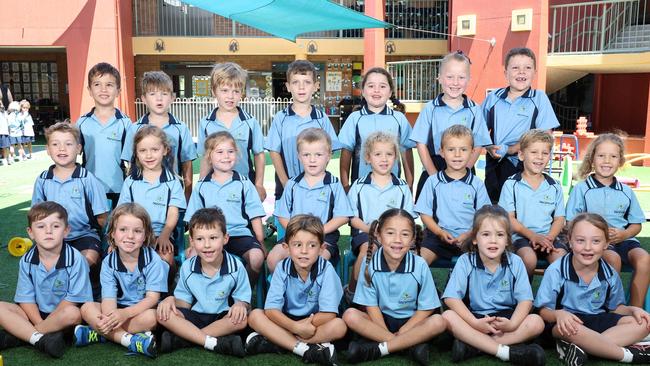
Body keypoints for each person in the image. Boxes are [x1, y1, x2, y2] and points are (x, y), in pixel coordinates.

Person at [535, 213, 650, 365]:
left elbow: (616, 308)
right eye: (580, 240)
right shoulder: (556, 270)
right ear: (570, 241)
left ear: (606, 244)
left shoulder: (609, 274)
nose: (588, 247)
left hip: (597, 321)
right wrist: (558, 315)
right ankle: (628, 355)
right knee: (574, 329)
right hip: (565, 324)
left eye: (596, 241)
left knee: (643, 324)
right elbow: (542, 311)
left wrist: (633, 310)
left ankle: (582, 348)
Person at [442, 204, 546, 365]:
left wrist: (512, 324)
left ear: (507, 240)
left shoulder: (516, 262)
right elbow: (451, 298)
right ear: (475, 239)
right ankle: (506, 351)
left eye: (500, 234)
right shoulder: (466, 261)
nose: (493, 240)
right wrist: (474, 323)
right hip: (475, 319)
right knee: (447, 317)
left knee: (536, 322)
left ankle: (474, 347)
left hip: (506, 320)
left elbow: (525, 300)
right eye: (486, 234)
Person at [342, 208, 447, 365]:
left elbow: (426, 308)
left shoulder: (420, 265)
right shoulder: (369, 263)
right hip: (380, 322)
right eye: (390, 233)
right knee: (350, 315)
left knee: (439, 321)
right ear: (378, 235)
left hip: (412, 322)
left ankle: (378, 349)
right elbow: (371, 307)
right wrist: (386, 333)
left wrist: (404, 331)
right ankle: (409, 346)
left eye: (405, 234)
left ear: (412, 239)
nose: (397, 239)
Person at [247, 214, 346, 365]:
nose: (304, 251)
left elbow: (329, 314)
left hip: (316, 322)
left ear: (322, 249)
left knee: (339, 326)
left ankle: (281, 341)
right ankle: (304, 349)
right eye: (297, 245)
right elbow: (271, 310)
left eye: (312, 245)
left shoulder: (327, 270)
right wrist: (295, 327)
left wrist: (303, 327)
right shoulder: (282, 268)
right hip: (287, 321)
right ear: (286, 248)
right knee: (255, 316)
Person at [566, 133, 650, 308]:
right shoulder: (582, 189)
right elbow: (570, 224)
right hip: (595, 244)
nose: (607, 161)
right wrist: (594, 235)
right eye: (601, 155)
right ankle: (611, 309)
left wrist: (624, 233)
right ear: (592, 159)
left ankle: (635, 311)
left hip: (624, 240)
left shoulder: (626, 191)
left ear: (620, 161)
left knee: (644, 259)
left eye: (613, 156)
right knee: (613, 259)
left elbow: (636, 224)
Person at [74, 203, 168, 358]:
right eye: (123, 230)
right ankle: (130, 340)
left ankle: (100, 333)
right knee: (86, 308)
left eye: (137, 231)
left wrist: (124, 314)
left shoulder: (153, 260)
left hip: (141, 310)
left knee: (153, 317)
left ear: (145, 236)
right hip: (116, 310)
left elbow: (152, 299)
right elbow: (108, 300)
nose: (130, 236)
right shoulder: (108, 262)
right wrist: (112, 315)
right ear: (112, 234)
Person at [0, 202, 93, 358]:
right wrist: (39, 322)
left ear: (66, 231)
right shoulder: (27, 260)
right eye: (41, 227)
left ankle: (22, 335)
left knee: (73, 313)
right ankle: (40, 338)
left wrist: (40, 325)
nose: (48, 231)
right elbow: (26, 299)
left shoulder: (76, 259)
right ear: (30, 232)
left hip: (63, 316)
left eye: (55, 226)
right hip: (36, 314)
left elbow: (72, 300)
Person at [156, 208, 249, 357]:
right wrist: (170, 300)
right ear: (191, 242)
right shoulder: (188, 267)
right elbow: (183, 305)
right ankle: (212, 342)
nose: (207, 245)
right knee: (163, 314)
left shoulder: (236, 267)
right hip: (194, 317)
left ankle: (186, 339)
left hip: (222, 318)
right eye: (200, 239)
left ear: (225, 238)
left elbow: (243, 303)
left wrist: (240, 305)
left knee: (241, 320)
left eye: (213, 238)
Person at [185, 131, 266, 286]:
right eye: (220, 152)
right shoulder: (201, 186)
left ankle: (242, 293)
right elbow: (193, 220)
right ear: (209, 156)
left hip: (239, 234)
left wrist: (260, 241)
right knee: (192, 257)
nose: (226, 156)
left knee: (256, 258)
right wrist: (192, 244)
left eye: (230, 152)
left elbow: (255, 215)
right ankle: (207, 296)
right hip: (210, 237)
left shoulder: (244, 183)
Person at [481, 47, 560, 203]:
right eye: (515, 67)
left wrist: (511, 149)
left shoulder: (539, 98)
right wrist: (489, 146)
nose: (521, 72)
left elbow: (545, 138)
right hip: (494, 165)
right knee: (494, 210)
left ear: (534, 73)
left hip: (523, 166)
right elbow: (478, 129)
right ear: (506, 73)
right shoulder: (493, 98)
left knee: (520, 209)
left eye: (527, 68)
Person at [268, 128, 352, 272]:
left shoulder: (333, 184)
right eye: (306, 155)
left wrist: (317, 231)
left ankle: (314, 294)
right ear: (299, 157)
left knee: (314, 263)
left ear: (329, 156)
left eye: (318, 154)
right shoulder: (292, 184)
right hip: (295, 238)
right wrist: (298, 233)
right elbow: (282, 215)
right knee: (272, 258)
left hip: (323, 240)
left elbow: (343, 216)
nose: (312, 160)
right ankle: (284, 290)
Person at [410, 51, 491, 200]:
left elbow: (478, 145)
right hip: (434, 168)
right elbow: (421, 144)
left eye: (461, 77)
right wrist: (434, 176)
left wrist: (462, 173)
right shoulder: (430, 109)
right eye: (449, 77)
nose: (455, 82)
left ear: (468, 79)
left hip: (464, 169)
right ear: (440, 78)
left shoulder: (474, 110)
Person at [345, 131, 416, 299]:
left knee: (411, 254)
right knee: (367, 251)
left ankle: (403, 296)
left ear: (395, 157)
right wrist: (369, 228)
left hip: (394, 235)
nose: (384, 159)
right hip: (366, 234)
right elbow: (352, 218)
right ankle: (353, 292)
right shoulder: (359, 186)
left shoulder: (402, 187)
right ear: (368, 158)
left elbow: (408, 220)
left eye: (389, 154)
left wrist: (394, 233)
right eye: (378, 154)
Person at [32, 122, 108, 275]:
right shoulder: (43, 180)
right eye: (55, 144)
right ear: (48, 149)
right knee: (36, 263)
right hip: (52, 236)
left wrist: (106, 239)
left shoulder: (88, 179)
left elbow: (102, 217)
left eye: (68, 144)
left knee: (88, 259)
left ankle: (85, 290)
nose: (62, 148)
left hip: (84, 235)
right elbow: (36, 215)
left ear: (79, 149)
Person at [265, 60, 341, 201]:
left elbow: (330, 150)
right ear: (288, 86)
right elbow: (274, 151)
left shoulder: (321, 118)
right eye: (295, 82)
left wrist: (316, 177)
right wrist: (285, 183)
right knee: (287, 222)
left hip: (316, 188)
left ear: (315, 86)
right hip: (286, 188)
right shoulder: (281, 118)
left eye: (306, 82)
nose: (301, 87)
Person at [415, 124, 491, 265]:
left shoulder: (477, 184)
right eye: (451, 150)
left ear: (472, 152)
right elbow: (424, 215)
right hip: (437, 236)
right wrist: (439, 232)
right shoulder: (433, 181)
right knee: (419, 262)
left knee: (482, 260)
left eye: (463, 150)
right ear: (442, 152)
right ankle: (428, 287)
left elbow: (484, 217)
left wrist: (470, 234)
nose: (457, 155)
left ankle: (462, 283)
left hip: (469, 237)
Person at [498, 129, 567, 276]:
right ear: (521, 155)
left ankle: (550, 298)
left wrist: (549, 238)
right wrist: (533, 236)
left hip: (548, 237)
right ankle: (523, 297)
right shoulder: (511, 184)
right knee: (529, 259)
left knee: (560, 260)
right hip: (521, 237)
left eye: (545, 153)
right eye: (534, 152)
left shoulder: (554, 186)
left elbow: (559, 218)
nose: (540, 157)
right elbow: (508, 219)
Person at [118, 126, 186, 271]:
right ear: (136, 153)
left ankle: (163, 291)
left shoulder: (172, 182)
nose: (149, 155)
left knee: (166, 257)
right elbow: (121, 213)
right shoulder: (130, 182)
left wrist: (165, 235)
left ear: (165, 150)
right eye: (143, 151)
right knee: (120, 257)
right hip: (133, 233)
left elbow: (173, 213)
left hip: (160, 233)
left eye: (154, 150)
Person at [122, 71, 196, 201]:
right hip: (142, 195)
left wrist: (187, 194)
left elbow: (187, 163)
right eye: (152, 94)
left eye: (164, 93)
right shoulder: (135, 129)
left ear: (172, 98)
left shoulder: (181, 128)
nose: (159, 98)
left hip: (172, 195)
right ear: (144, 99)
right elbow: (129, 164)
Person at [338, 67, 415, 191]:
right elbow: (346, 153)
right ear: (362, 91)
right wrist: (346, 187)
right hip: (361, 190)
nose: (376, 90)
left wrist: (409, 186)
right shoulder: (354, 118)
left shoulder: (399, 119)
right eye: (371, 86)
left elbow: (406, 153)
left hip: (392, 190)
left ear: (390, 92)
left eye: (383, 86)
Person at [197, 62, 265, 200]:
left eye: (236, 91)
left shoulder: (250, 122)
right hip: (215, 188)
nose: (230, 96)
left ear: (242, 93)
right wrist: (201, 185)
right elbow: (205, 158)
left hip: (244, 187)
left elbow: (259, 154)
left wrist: (258, 184)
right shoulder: (206, 124)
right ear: (214, 91)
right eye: (225, 90)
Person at [75, 62, 133, 208]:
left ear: (118, 90)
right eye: (97, 84)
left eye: (109, 84)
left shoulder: (125, 123)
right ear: (89, 90)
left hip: (118, 188)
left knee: (116, 229)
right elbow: (71, 156)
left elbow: (133, 160)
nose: (103, 89)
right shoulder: (82, 122)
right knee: (93, 229)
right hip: (88, 187)